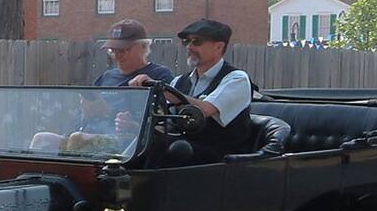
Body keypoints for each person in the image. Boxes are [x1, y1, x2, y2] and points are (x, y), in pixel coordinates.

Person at [30, 19, 172, 153]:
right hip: (91, 135)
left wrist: (124, 120)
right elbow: (84, 116)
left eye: (123, 50)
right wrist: (85, 113)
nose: (116, 56)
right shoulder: (107, 77)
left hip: (128, 144)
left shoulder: (158, 76)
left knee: (77, 139)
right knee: (42, 138)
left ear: (143, 47)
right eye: (112, 50)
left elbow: (164, 124)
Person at [130, 19, 254, 163]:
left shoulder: (236, 79)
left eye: (196, 42)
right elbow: (168, 123)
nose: (189, 47)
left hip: (220, 160)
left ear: (219, 46)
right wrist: (136, 126)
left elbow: (205, 109)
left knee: (171, 147)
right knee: (143, 141)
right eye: (186, 41)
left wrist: (161, 89)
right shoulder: (179, 81)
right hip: (183, 153)